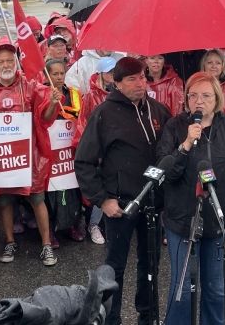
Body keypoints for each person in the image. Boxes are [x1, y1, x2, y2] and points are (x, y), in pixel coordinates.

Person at [156, 72, 225, 324]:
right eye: (193, 95)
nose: (199, 101)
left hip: (219, 218)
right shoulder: (175, 126)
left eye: (205, 96)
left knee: (215, 289)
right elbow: (165, 172)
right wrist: (186, 145)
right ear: (186, 99)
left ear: (217, 99)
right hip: (183, 219)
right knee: (182, 290)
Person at [75, 56, 172, 325]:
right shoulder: (104, 114)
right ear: (116, 83)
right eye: (132, 79)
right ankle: (111, 318)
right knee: (115, 267)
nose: (140, 83)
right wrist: (102, 200)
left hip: (153, 202)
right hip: (120, 204)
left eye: (142, 77)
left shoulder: (158, 110)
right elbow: (83, 161)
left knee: (150, 264)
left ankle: (148, 316)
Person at [0, 40, 62, 266]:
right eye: (1, 61)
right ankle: (10, 241)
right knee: (4, 201)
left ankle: (46, 244)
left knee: (37, 199)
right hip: (1, 157)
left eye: (9, 60)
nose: (5, 64)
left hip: (29, 156)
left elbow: (45, 118)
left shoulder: (30, 86)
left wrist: (52, 103)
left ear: (16, 61)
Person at [74, 55, 119, 246]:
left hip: (114, 147)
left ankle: (103, 223)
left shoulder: (119, 93)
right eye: (109, 72)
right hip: (97, 149)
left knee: (113, 185)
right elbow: (83, 123)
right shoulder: (91, 96)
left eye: (115, 72)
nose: (113, 75)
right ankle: (93, 224)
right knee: (97, 187)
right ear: (101, 73)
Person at [43, 59, 87, 245]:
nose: (59, 77)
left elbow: (80, 115)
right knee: (51, 190)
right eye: (55, 74)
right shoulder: (43, 92)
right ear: (47, 75)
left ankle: (72, 224)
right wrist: (53, 103)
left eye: (62, 73)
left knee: (72, 189)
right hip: (50, 149)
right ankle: (51, 228)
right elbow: (42, 118)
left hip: (69, 147)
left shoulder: (73, 93)